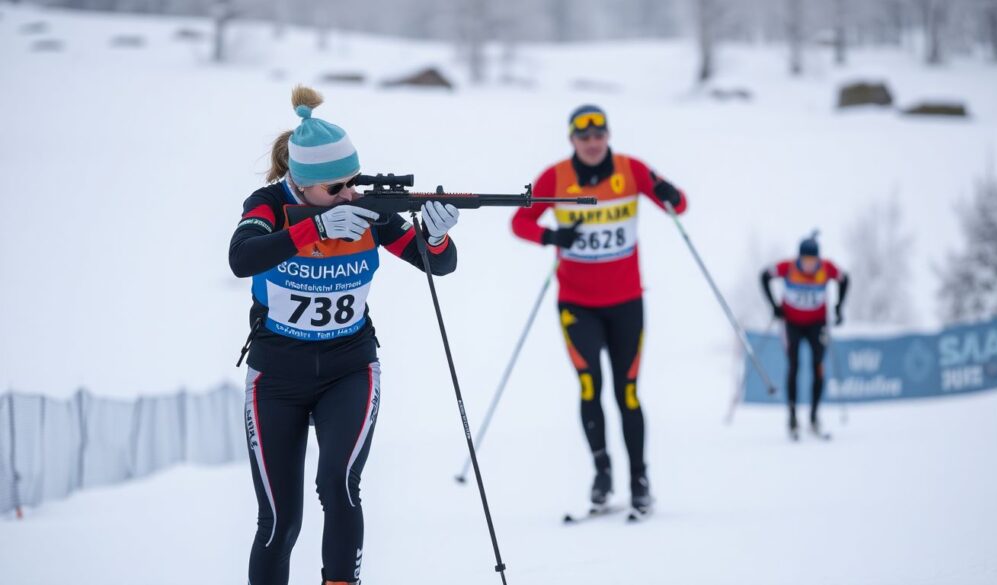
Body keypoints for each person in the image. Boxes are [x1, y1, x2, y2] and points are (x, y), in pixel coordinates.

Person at [229, 85, 460, 585]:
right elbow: (242, 256)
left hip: (349, 369)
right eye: (335, 189)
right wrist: (313, 229)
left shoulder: (367, 212)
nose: (349, 195)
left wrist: (437, 235)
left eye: (353, 182)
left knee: (338, 485)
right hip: (276, 377)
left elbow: (436, 263)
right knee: (278, 521)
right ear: (302, 183)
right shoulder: (269, 204)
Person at [511, 104, 687, 515]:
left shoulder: (632, 170)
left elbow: (680, 204)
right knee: (590, 386)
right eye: (583, 137)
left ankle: (639, 479)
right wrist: (553, 235)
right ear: (572, 140)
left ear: (607, 136)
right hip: (577, 306)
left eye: (598, 135)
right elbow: (521, 222)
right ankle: (602, 474)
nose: (592, 144)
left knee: (627, 391)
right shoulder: (555, 177)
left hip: (627, 303)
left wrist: (670, 196)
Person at [760, 232, 849, 440]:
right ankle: (792, 417)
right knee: (794, 366)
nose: (809, 264)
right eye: (805, 260)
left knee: (818, 366)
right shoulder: (788, 267)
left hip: (817, 325)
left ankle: (814, 417)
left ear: (818, 259)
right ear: (799, 257)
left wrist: (839, 307)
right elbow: (764, 276)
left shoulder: (827, 268)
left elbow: (845, 280)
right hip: (792, 324)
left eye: (813, 260)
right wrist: (774, 306)